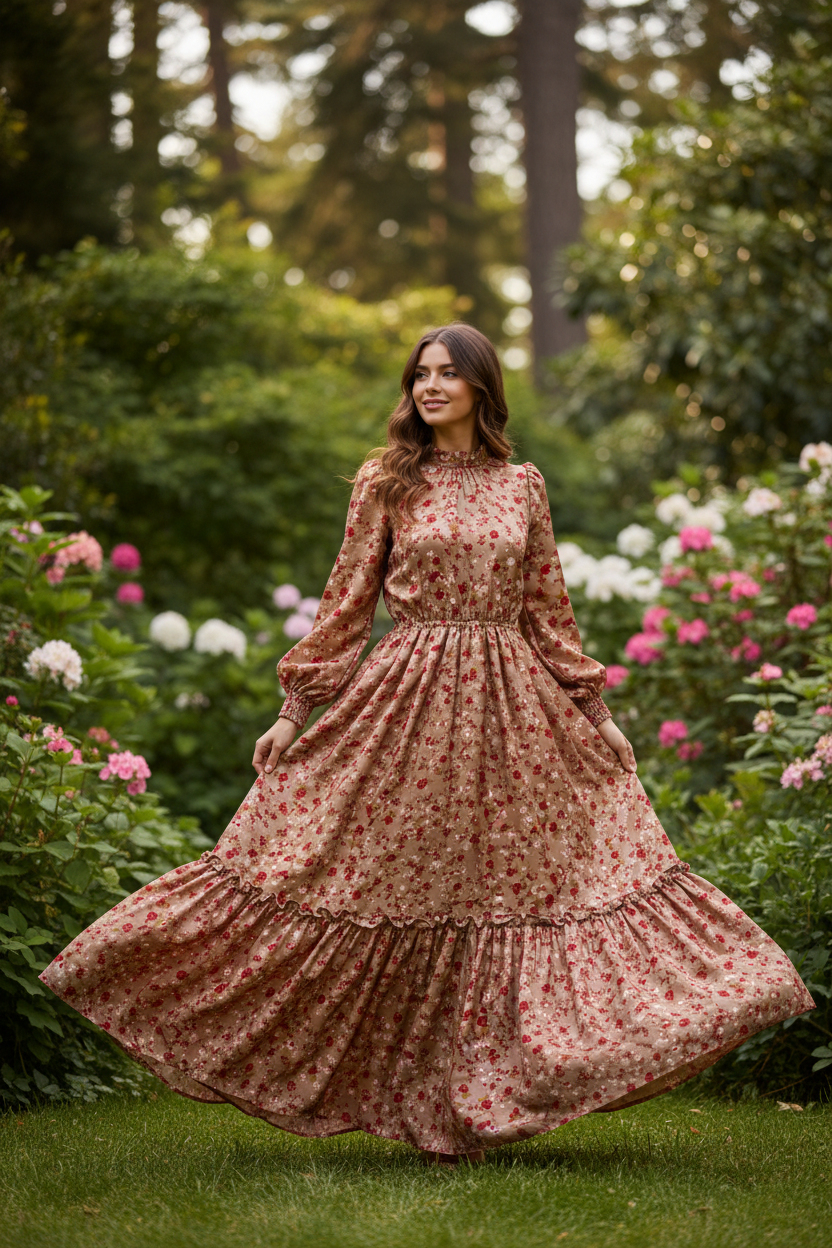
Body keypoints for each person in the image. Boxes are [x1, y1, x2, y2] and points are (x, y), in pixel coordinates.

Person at [41, 323, 813, 1166]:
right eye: (421, 374)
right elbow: (344, 607)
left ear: (483, 387)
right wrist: (292, 712)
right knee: (373, 883)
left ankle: (483, 1099)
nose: (431, 386)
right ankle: (410, 1094)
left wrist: (596, 714)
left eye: (449, 373)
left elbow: (547, 611)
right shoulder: (387, 481)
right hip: (403, 705)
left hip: (516, 716)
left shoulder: (524, 484)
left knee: (503, 896)